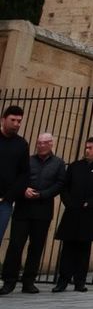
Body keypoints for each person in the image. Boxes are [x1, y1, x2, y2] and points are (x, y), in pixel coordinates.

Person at [0, 132, 66, 295]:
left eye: (45, 143)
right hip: (23, 207)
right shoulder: (28, 161)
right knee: (15, 245)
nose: (41, 146)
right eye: (39, 143)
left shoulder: (59, 163)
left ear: (51, 144)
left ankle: (29, 281)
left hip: (43, 210)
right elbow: (18, 177)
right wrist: (24, 190)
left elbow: (60, 183)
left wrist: (43, 194)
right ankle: (9, 281)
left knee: (36, 247)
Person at [52, 136, 93, 293]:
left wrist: (91, 203)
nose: (87, 150)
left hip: (88, 213)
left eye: (90, 148)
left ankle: (80, 281)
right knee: (68, 248)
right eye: (86, 147)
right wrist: (69, 202)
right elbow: (64, 187)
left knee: (84, 249)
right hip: (72, 211)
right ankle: (62, 281)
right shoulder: (74, 166)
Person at [0, 105, 31, 248]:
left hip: (4, 203)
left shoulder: (22, 144)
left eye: (19, 121)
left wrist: (8, 196)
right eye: (13, 120)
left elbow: (24, 174)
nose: (16, 124)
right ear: (3, 120)